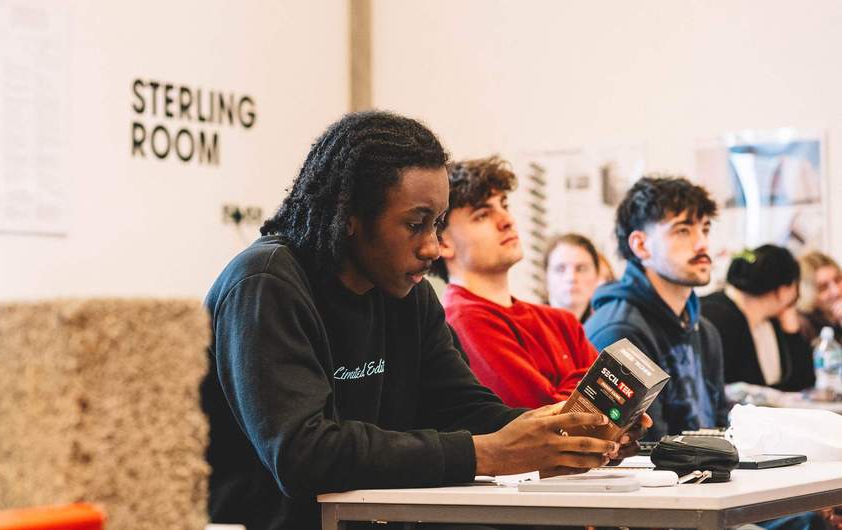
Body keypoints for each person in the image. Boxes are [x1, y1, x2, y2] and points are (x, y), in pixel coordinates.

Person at [200, 112, 646, 530]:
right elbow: (305, 453)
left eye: (437, 224)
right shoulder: (265, 285)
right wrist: (487, 454)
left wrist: (566, 432)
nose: (432, 247)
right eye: (415, 225)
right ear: (349, 217)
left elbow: (463, 409)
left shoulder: (407, 294)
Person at [430, 156, 597, 408]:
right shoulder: (462, 320)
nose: (507, 220)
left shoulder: (562, 322)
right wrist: (592, 386)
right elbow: (541, 419)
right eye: (482, 214)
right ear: (442, 243)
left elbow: (622, 401)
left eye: (504, 205)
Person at [583, 175, 730, 441]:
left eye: (705, 229)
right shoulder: (618, 333)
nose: (702, 244)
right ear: (641, 245)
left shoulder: (705, 331)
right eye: (683, 230)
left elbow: (722, 428)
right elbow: (641, 452)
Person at [700, 245, 814, 391]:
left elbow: (802, 382)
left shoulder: (770, 320)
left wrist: (791, 329)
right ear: (785, 290)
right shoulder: (717, 317)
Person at [543, 233, 605, 323]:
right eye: (560, 269)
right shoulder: (529, 330)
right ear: (546, 277)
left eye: (581, 268)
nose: (571, 278)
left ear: (597, 275)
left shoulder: (606, 326)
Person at [798, 250, 842, 344]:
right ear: (808, 295)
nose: (836, 291)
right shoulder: (805, 327)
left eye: (838, 280)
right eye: (823, 287)